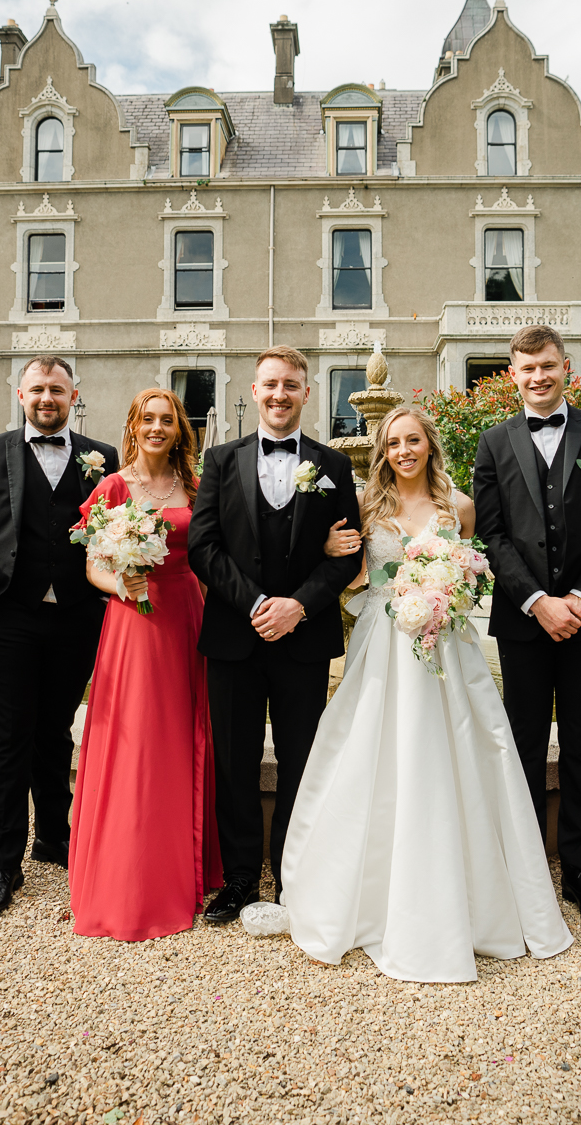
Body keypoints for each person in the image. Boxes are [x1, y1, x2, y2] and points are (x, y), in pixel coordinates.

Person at [282, 406, 572, 982]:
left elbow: (476, 570)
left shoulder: (458, 508)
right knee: (371, 750)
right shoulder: (367, 508)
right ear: (383, 451)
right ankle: (368, 896)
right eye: (393, 443)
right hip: (385, 645)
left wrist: (449, 588)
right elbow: (345, 569)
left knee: (464, 751)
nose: (403, 451)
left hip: (447, 646)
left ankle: (474, 901)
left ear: (429, 446)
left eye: (413, 440)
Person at [471, 324, 581, 928]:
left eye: (547, 366)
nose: (538, 377)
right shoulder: (493, 443)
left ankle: (580, 872)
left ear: (566, 367)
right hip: (523, 621)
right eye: (526, 369)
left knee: (578, 745)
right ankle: (519, 871)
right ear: (511, 375)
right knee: (520, 744)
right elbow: (491, 535)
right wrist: (539, 599)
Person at [187, 346, 362, 922]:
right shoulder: (219, 459)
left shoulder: (333, 465)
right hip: (235, 638)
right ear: (254, 390)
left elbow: (345, 554)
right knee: (234, 763)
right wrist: (259, 603)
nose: (280, 394)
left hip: (304, 640)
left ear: (306, 392)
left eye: (291, 384)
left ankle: (293, 874)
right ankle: (239, 879)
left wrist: (298, 606)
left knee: (300, 759)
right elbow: (203, 548)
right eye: (270, 384)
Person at [0, 357, 120, 918]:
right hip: (6, 615)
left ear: (75, 394)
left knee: (56, 730)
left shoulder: (102, 459)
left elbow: (111, 533)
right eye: (38, 388)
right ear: (19, 393)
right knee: (4, 736)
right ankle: (1, 862)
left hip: (75, 615)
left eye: (58, 389)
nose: (47, 398)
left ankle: (53, 835)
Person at [69, 389, 221, 940]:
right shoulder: (112, 486)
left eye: (167, 421)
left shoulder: (196, 488)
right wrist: (123, 589)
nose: (157, 428)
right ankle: (128, 871)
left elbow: (206, 560)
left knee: (183, 736)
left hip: (185, 616)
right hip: (132, 623)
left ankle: (185, 865)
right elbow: (92, 566)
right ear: (133, 426)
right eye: (147, 420)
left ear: (180, 429)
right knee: (132, 740)